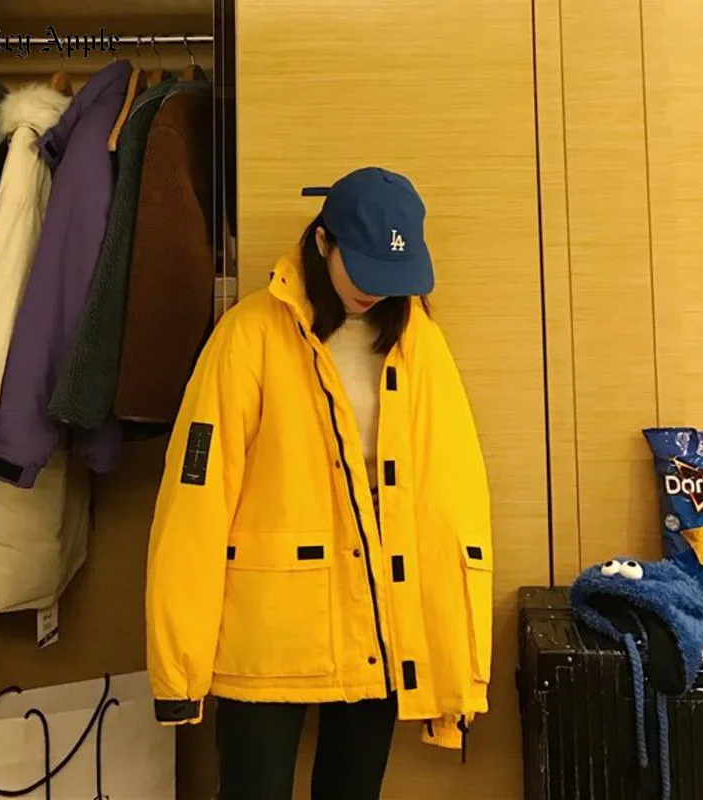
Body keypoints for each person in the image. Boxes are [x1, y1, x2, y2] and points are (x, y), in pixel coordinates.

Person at [146, 167, 493, 800]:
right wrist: (178, 666)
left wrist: (456, 659)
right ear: (323, 242)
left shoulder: (419, 342)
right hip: (266, 636)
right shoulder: (249, 334)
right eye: (363, 268)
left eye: (391, 274)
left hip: (379, 624)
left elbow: (451, 500)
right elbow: (196, 500)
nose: (375, 290)